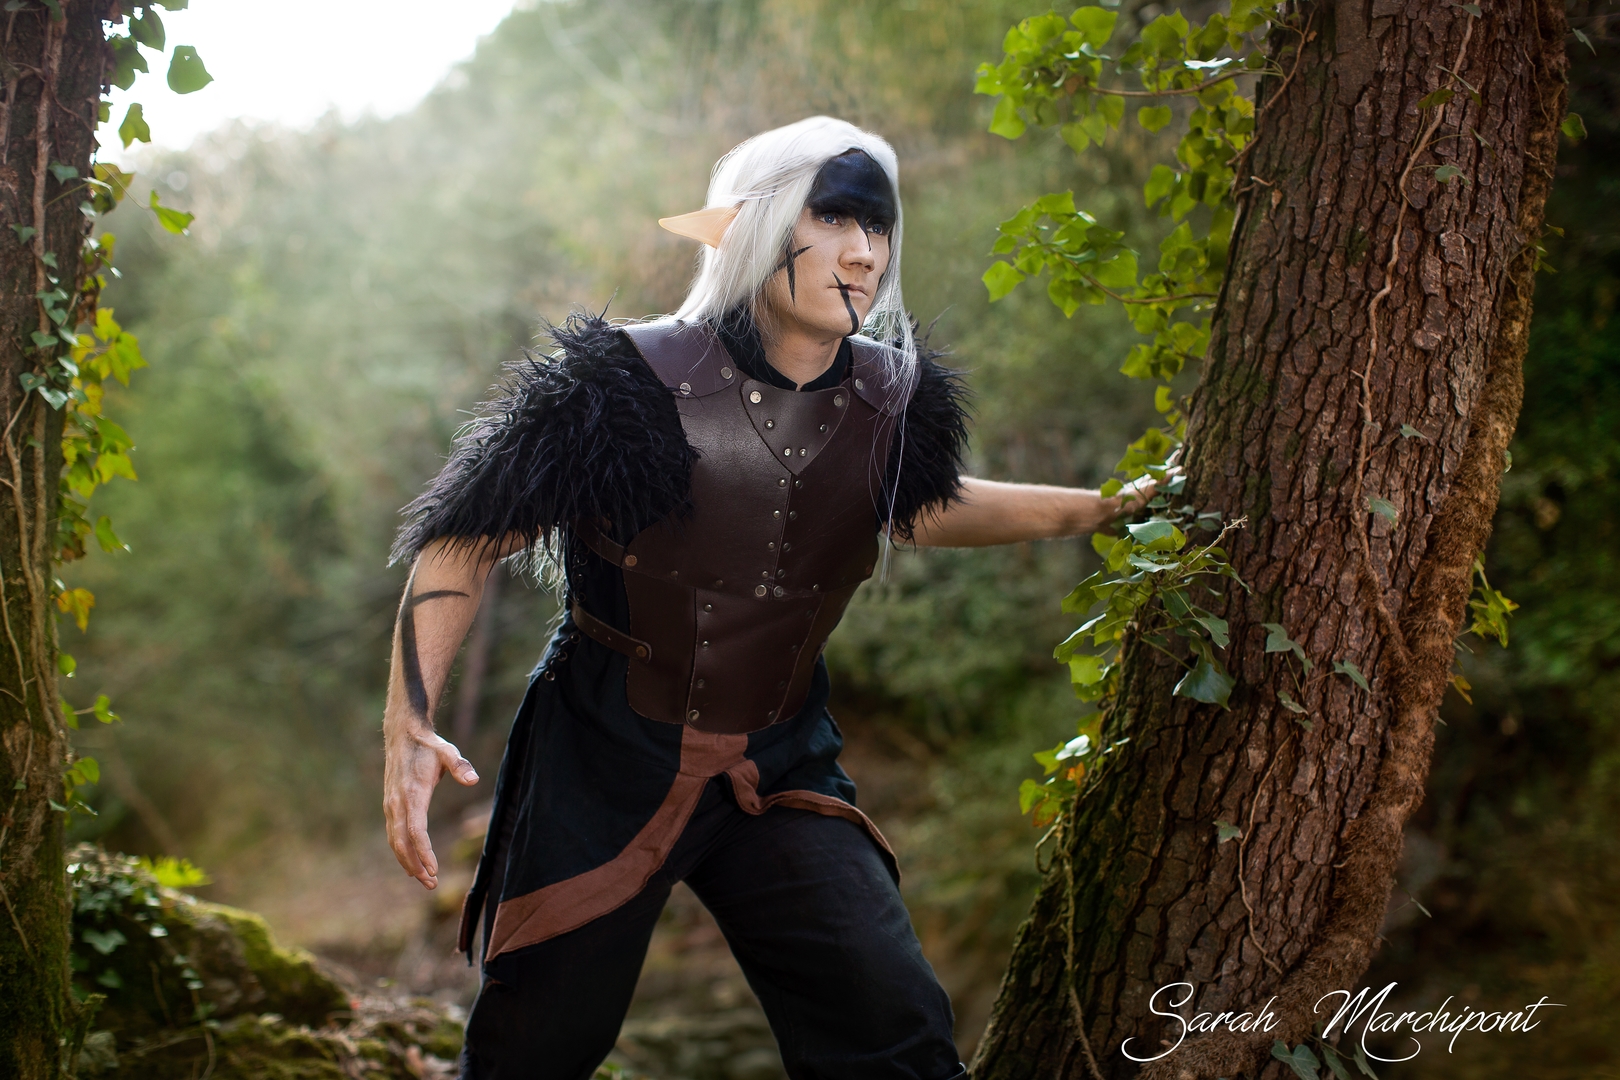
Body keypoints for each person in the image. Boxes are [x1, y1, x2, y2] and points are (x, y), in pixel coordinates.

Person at [382, 116, 1153, 1080]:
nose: (863, 252)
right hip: (602, 758)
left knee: (894, 1028)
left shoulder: (892, 403)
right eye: (832, 218)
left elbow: (916, 507)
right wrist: (409, 724)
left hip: (781, 763)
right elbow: (465, 536)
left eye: (878, 227)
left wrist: (1102, 509)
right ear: (753, 225)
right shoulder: (621, 383)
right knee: (537, 1048)